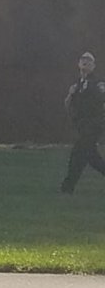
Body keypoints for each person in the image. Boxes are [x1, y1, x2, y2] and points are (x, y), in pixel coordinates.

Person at [61, 52, 105, 193]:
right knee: (91, 158)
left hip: (93, 126)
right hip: (81, 126)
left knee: (77, 154)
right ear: (78, 64)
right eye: (83, 60)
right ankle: (68, 187)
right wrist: (70, 94)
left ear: (94, 66)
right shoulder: (76, 86)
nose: (85, 63)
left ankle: (67, 187)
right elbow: (68, 105)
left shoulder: (97, 84)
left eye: (89, 61)